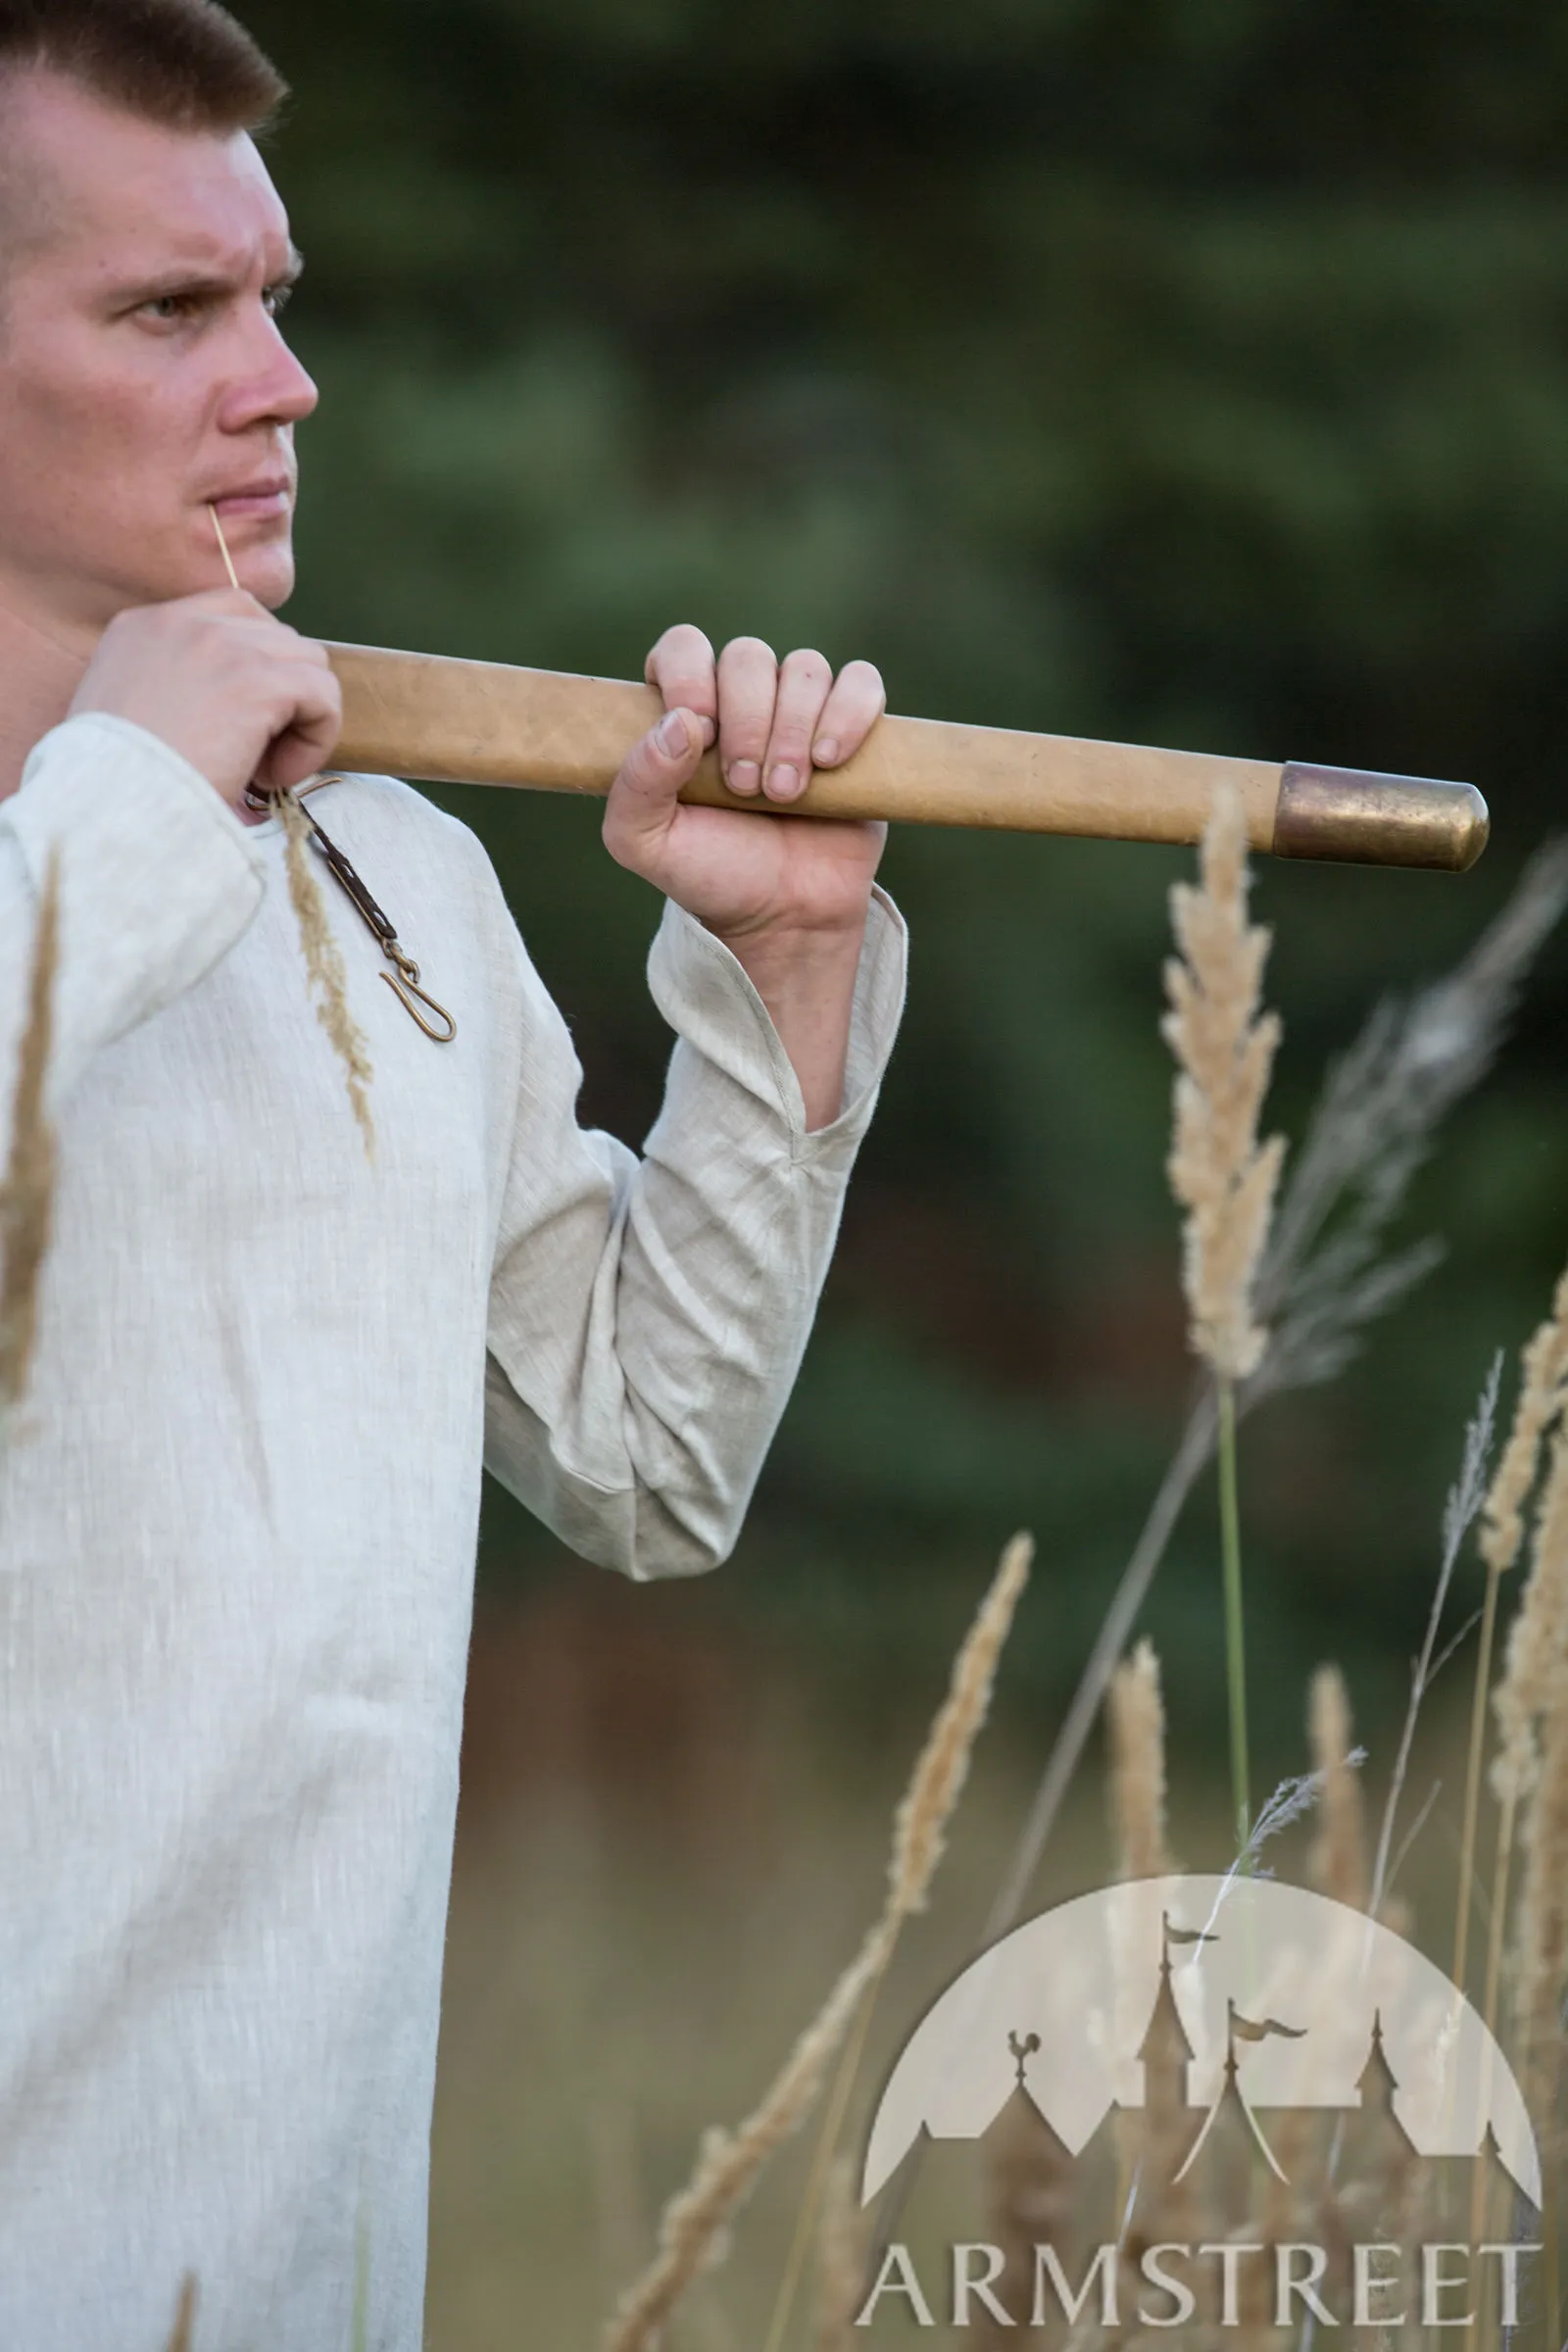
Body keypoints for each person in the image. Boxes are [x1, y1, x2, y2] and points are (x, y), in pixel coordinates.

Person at [0, 2, 906, 2343]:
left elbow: (649, 1460)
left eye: (277, 296)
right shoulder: (101, 849)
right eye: (169, 309)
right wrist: (120, 805)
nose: (282, 380)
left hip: (304, 2268)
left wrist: (775, 978)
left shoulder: (387, 868)